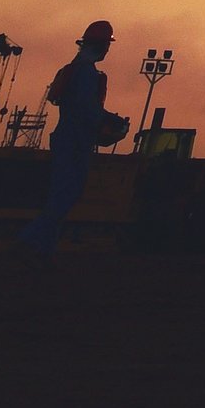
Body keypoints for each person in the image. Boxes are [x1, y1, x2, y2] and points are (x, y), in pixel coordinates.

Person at [21, 20, 129, 254]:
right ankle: (30, 241)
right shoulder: (86, 74)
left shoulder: (75, 69)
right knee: (66, 194)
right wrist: (112, 121)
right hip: (75, 142)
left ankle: (43, 249)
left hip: (69, 138)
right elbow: (86, 108)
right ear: (101, 46)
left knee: (62, 195)